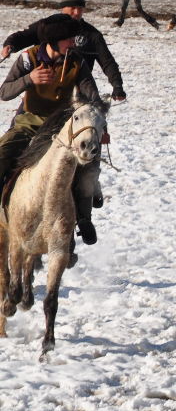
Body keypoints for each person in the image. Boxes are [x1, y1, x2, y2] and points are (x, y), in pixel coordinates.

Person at [0, 14, 102, 244]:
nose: (74, 43)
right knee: (2, 152)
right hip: (29, 121)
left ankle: (83, 218)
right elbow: (4, 92)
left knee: (86, 168)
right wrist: (29, 79)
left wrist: (96, 124)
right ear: (55, 40)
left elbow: (91, 96)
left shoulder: (77, 61)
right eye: (69, 39)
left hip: (62, 127)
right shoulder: (29, 59)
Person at [2, 0, 126, 101]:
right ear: (63, 8)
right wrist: (10, 44)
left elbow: (107, 62)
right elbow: (25, 36)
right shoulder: (48, 27)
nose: (77, 12)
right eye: (72, 7)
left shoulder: (92, 35)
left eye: (80, 8)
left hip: (78, 91)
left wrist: (117, 85)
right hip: (41, 93)